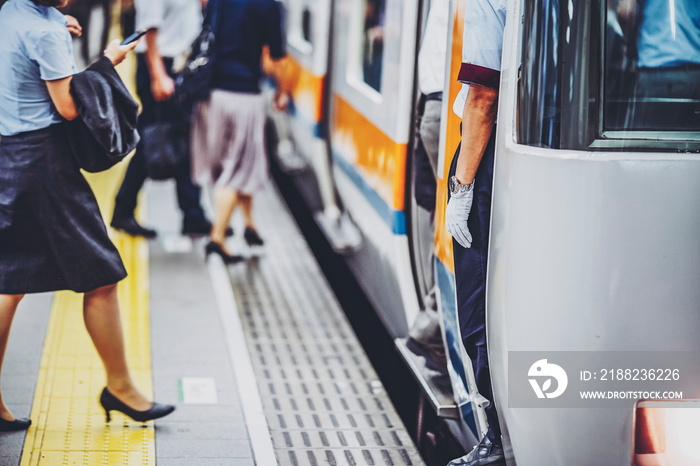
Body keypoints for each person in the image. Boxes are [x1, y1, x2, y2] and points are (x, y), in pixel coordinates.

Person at [0, 0, 174, 431]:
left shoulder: (10, 11)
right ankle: (120, 388)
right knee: (100, 276)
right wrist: (107, 63)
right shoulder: (45, 32)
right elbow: (69, 107)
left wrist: (56, 23)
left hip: (9, 158)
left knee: (9, 282)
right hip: (45, 166)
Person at [444, 0, 507, 464]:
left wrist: (461, 188)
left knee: (476, 303)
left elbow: (483, 96)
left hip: (486, 163)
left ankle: (497, 438)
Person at [190, 0, 287, 263]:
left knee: (239, 161)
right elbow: (277, 56)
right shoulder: (269, 6)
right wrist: (282, 90)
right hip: (243, 95)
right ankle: (217, 239)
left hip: (211, 93)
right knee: (236, 169)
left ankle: (249, 224)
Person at [110, 0, 214, 238]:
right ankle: (124, 209)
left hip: (181, 64)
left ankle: (192, 213)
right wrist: (158, 76)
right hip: (160, 67)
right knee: (154, 138)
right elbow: (149, 30)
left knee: (180, 137)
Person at [406, 0, 449, 369]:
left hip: (432, 106)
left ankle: (433, 326)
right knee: (456, 223)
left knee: (442, 215)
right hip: (449, 109)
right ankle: (436, 326)